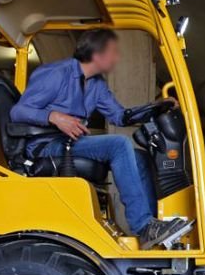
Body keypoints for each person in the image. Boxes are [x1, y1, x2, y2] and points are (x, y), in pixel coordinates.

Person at [10, 28, 191, 249]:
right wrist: (54, 117)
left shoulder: (96, 85)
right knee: (119, 144)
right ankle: (143, 225)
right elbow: (18, 112)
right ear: (96, 54)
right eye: (113, 52)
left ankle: (152, 231)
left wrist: (155, 107)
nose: (117, 58)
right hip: (47, 145)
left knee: (139, 157)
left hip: (72, 143)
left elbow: (120, 116)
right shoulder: (57, 73)